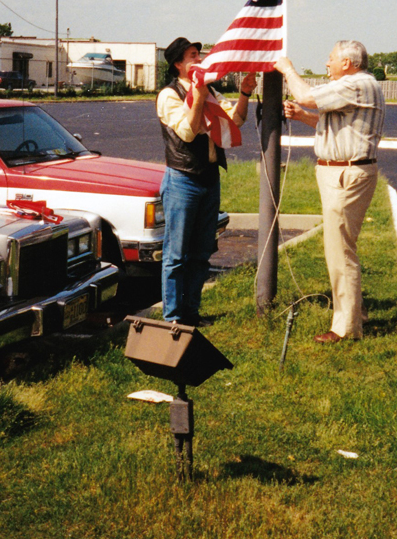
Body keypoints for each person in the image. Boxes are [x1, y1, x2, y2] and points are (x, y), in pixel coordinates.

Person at [274, 41, 385, 343]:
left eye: (331, 58)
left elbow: (307, 95)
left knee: (339, 251)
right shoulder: (357, 86)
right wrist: (302, 116)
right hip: (339, 171)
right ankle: (353, 313)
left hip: (346, 173)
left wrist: (287, 69)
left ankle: (346, 328)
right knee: (341, 247)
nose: (327, 63)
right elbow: (338, 127)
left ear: (347, 63)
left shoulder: (357, 83)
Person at [157, 37, 256, 325]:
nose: (199, 59)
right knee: (176, 255)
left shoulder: (208, 91)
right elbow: (187, 132)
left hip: (209, 179)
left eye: (199, 54)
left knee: (201, 254)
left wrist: (245, 94)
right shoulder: (169, 95)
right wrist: (198, 94)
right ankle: (173, 318)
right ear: (178, 64)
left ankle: (191, 313)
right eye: (192, 56)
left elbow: (235, 120)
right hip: (182, 181)